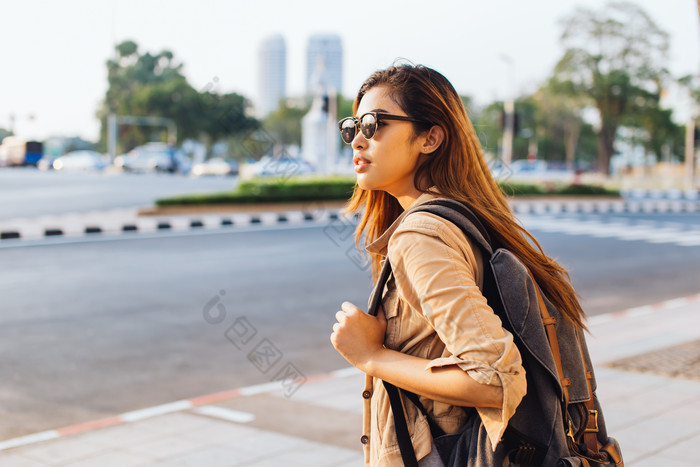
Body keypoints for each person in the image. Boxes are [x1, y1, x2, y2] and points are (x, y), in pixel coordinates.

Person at [330, 64, 587, 466]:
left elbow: (497, 381)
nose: (357, 141)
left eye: (374, 124)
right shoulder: (467, 216)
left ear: (430, 137)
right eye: (352, 127)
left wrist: (371, 356)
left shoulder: (423, 236)